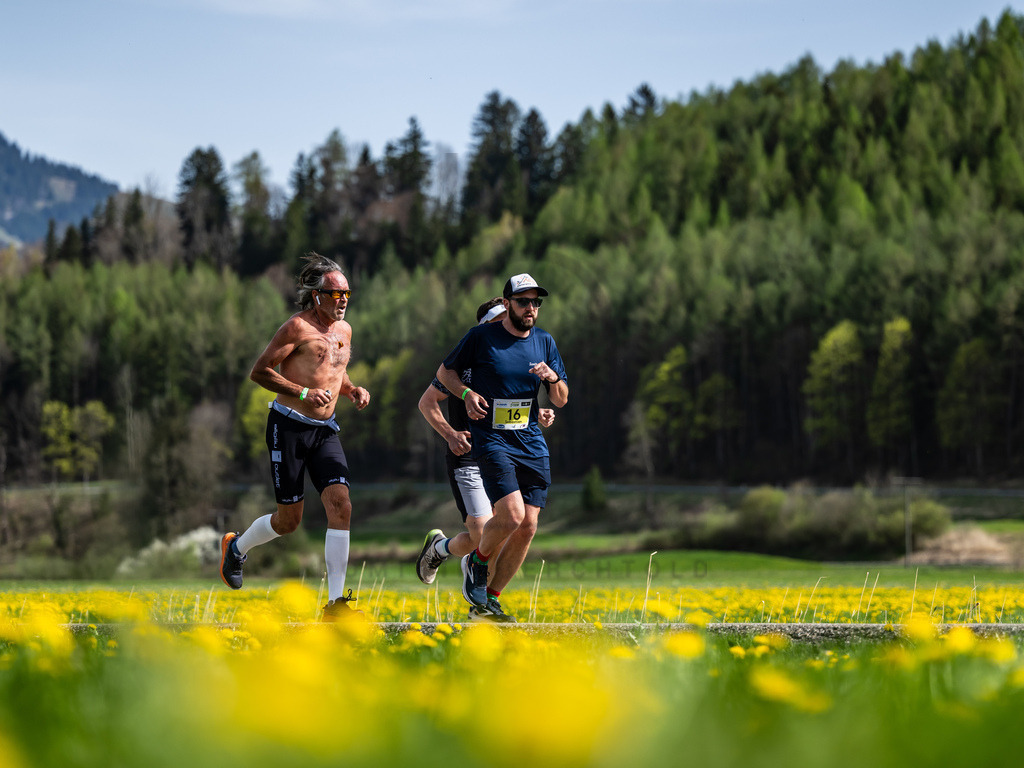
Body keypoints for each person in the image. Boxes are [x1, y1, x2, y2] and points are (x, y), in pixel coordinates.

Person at [219, 252, 371, 621]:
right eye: (336, 294)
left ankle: (336, 604)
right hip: (288, 427)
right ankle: (236, 548)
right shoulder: (296, 329)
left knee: (341, 505)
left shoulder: (344, 330)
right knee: (289, 522)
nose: (343, 300)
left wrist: (351, 390)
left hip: (325, 431)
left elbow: (334, 373)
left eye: (347, 294)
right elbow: (260, 371)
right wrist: (302, 393)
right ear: (317, 296)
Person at [434, 273, 568, 622]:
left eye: (536, 302)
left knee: (528, 526)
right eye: (523, 302)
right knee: (512, 515)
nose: (530, 308)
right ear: (507, 303)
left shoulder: (545, 341)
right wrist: (466, 394)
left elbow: (561, 398)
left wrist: (552, 378)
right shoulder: (481, 337)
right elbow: (445, 373)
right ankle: (477, 564)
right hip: (493, 441)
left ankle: (490, 598)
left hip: (531, 442)